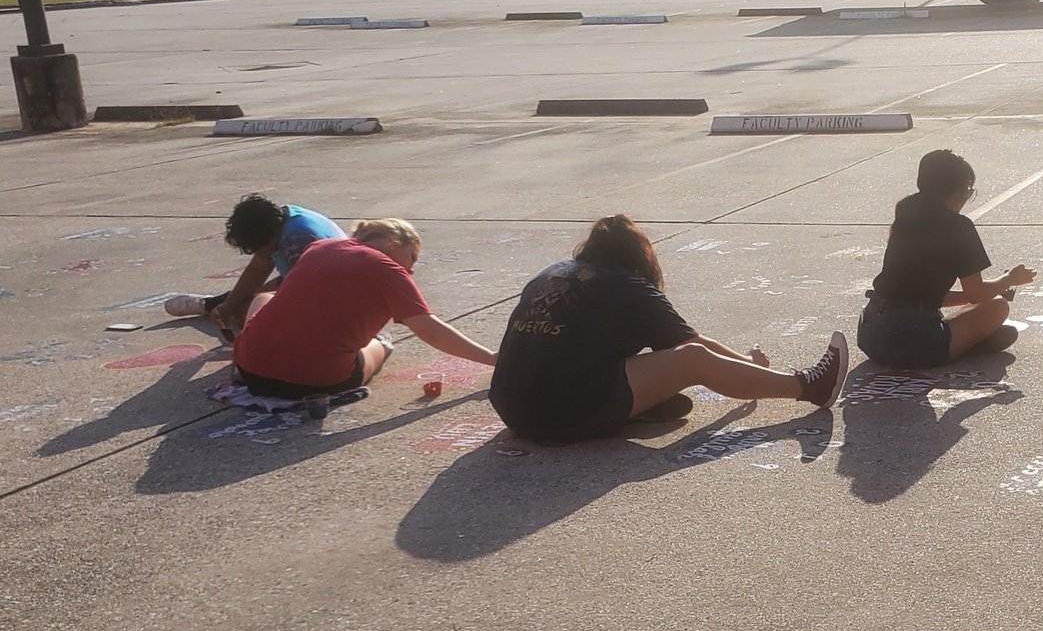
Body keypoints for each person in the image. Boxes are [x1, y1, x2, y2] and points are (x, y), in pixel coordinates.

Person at [490, 216, 848, 443]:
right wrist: (751, 362)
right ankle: (809, 387)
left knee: (600, 352)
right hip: (557, 416)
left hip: (512, 409)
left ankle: (621, 409)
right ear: (637, 257)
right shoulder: (625, 283)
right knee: (690, 360)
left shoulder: (551, 274)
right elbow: (693, 349)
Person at [230, 219, 498, 406]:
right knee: (380, 343)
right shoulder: (389, 269)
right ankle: (378, 346)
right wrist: (492, 359)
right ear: (395, 244)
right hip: (318, 380)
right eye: (413, 257)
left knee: (266, 298)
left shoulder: (320, 247)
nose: (412, 269)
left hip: (250, 369)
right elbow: (430, 330)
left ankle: (252, 345)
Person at [857, 150, 1034, 369]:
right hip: (916, 343)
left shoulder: (905, 212)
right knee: (997, 307)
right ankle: (965, 344)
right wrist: (1009, 279)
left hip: (870, 334)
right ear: (958, 191)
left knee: (983, 308)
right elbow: (976, 293)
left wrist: (975, 298)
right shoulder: (958, 227)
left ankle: (963, 340)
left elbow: (918, 293)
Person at [163, 194, 344, 337]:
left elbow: (306, 300)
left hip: (331, 293)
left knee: (249, 315)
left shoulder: (296, 240)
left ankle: (212, 304)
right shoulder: (282, 219)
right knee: (245, 305)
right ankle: (214, 303)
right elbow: (257, 271)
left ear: (266, 240)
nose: (260, 255)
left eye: (258, 249)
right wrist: (228, 307)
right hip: (311, 279)